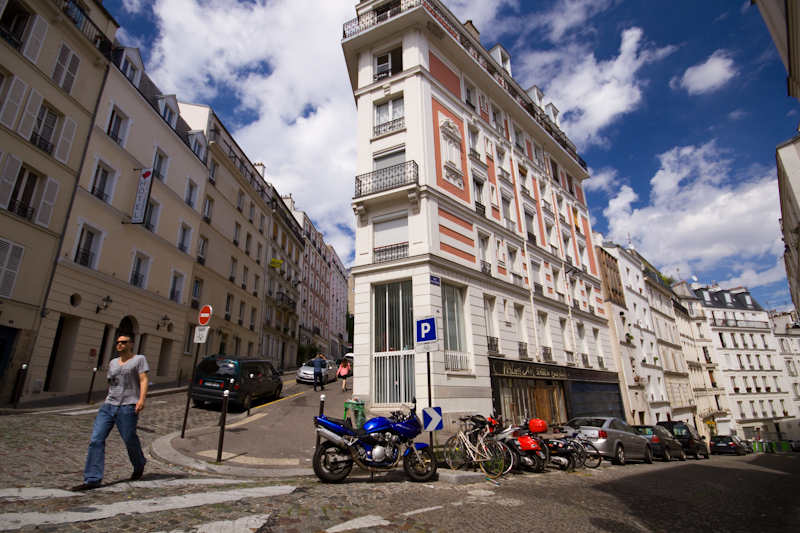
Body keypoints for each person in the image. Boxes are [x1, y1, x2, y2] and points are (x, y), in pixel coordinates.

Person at [71, 334, 149, 491]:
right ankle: (92, 479)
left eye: (123, 342)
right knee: (96, 439)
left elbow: (143, 380)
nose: (119, 344)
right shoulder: (113, 363)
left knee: (129, 438)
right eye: (118, 342)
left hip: (128, 406)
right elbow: (113, 383)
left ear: (131, 344)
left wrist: (141, 399)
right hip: (108, 405)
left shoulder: (139, 359)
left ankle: (139, 463)